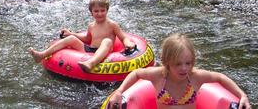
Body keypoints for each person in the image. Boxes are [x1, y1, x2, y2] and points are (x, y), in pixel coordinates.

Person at [107, 33, 251, 109]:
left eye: (188, 63)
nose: (184, 68)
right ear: (167, 62)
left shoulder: (195, 77)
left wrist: (242, 95)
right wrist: (119, 91)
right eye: (178, 64)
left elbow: (220, 77)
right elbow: (136, 73)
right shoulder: (158, 76)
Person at [29, 0, 136, 72]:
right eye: (96, 11)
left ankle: (91, 63)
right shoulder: (91, 25)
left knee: (107, 41)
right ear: (91, 13)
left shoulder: (112, 24)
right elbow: (87, 39)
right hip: (90, 50)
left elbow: (123, 37)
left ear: (107, 10)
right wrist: (71, 34)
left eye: (102, 10)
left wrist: (128, 43)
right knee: (71, 39)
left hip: (106, 52)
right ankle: (42, 55)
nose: (99, 13)